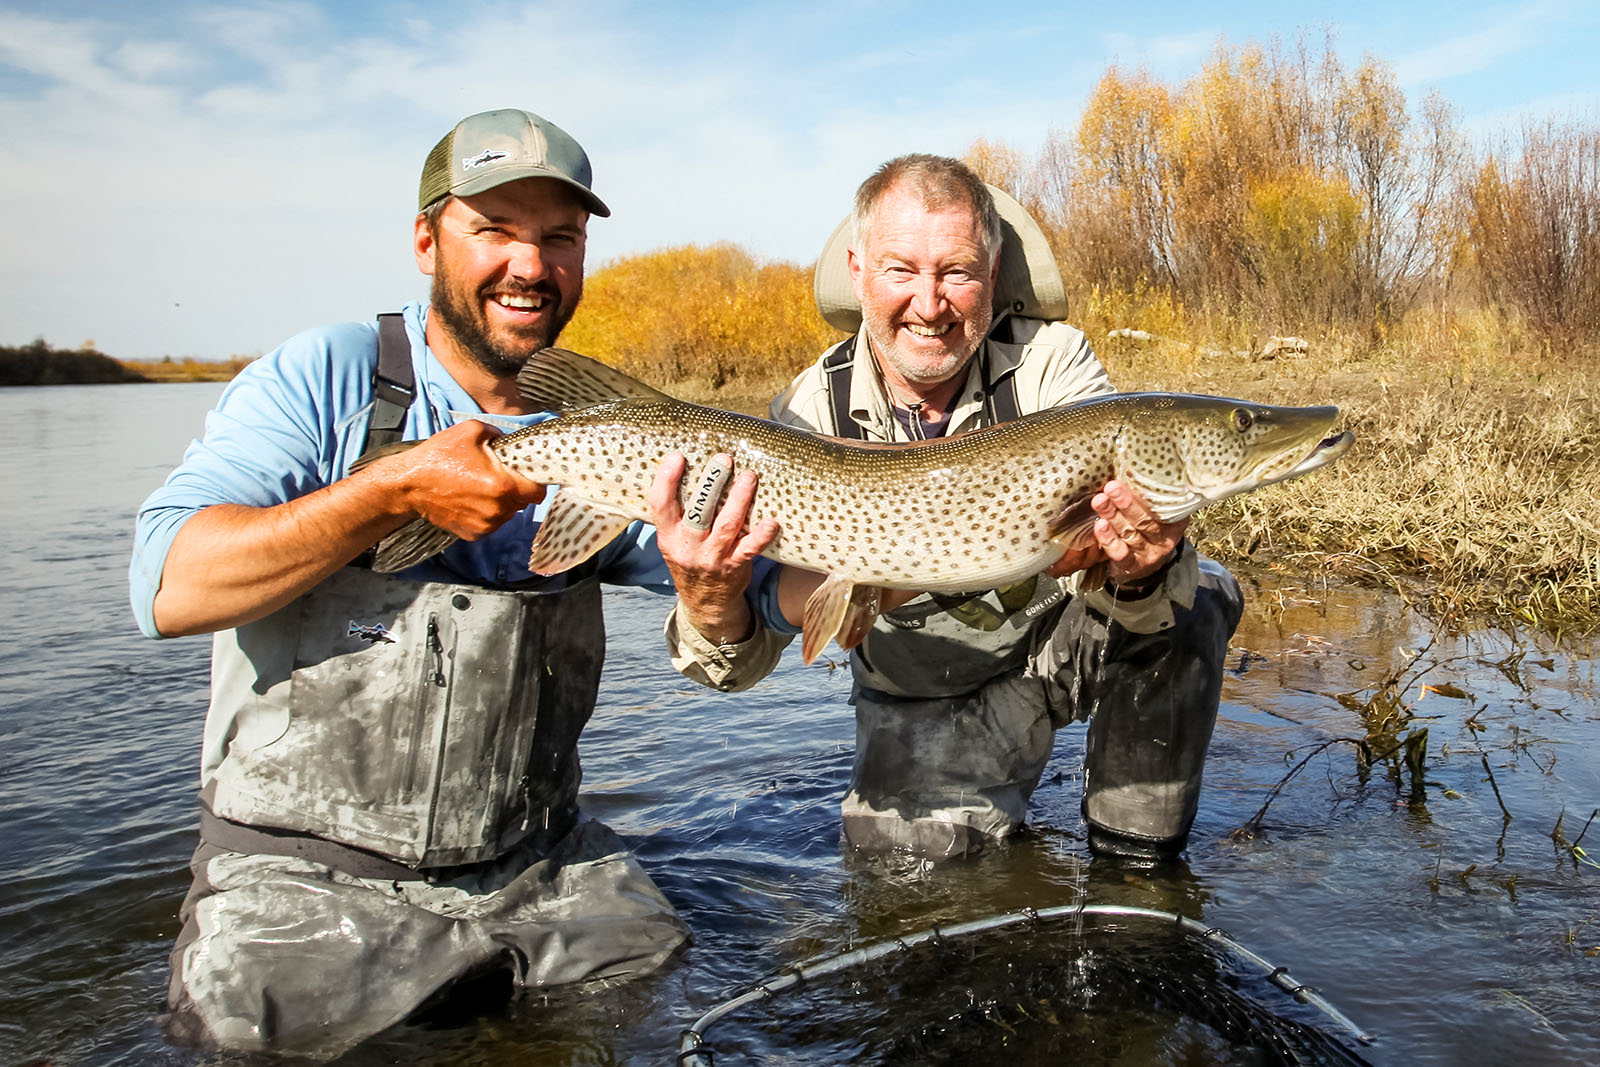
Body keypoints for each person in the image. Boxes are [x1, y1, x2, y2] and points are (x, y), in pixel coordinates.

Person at [129, 107, 782, 1057]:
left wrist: (718, 591)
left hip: (540, 869)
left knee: (675, 1012)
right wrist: (387, 491)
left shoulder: (622, 432)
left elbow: (764, 610)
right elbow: (165, 587)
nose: (531, 264)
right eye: (496, 230)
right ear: (428, 238)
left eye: (559, 238)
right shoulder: (327, 377)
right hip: (300, 878)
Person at [666, 154, 1243, 861]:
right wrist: (710, 601)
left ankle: (1137, 861)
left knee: (1198, 587)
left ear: (992, 277)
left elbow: (1123, 549)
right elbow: (741, 659)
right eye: (901, 269)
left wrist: (1145, 567)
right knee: (913, 899)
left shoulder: (1053, 366)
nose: (930, 303)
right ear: (858, 272)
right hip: (924, 694)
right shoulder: (809, 411)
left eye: (957, 272)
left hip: (1057, 646)